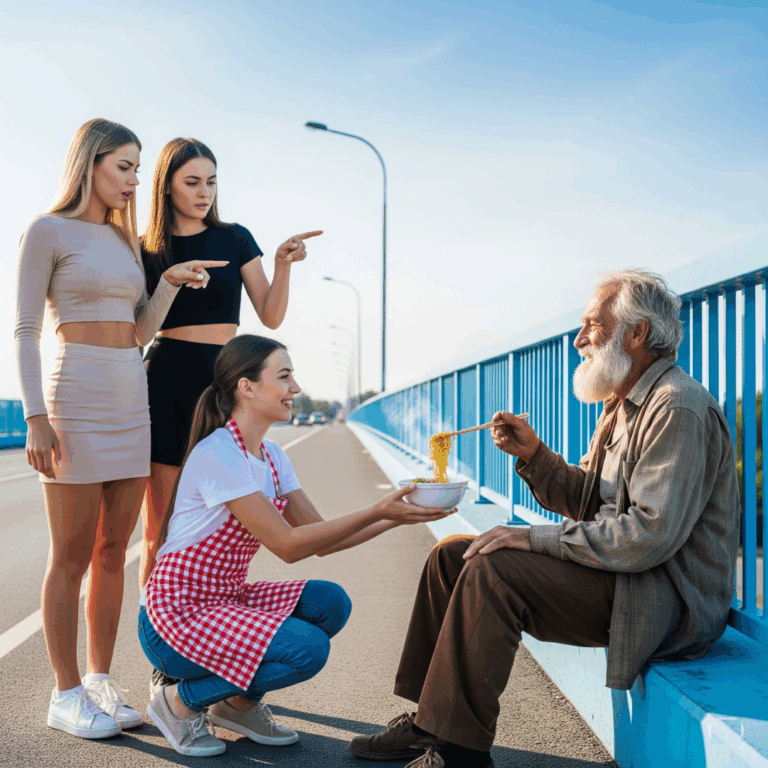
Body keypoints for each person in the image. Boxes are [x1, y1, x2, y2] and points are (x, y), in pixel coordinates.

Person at [349, 268, 740, 768]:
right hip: (627, 577)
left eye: (592, 325)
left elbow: (647, 536)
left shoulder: (677, 407)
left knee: (495, 567)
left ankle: (460, 751)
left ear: (637, 333)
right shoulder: (624, 403)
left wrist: (532, 538)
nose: (579, 340)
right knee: (453, 556)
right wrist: (535, 455)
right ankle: (431, 720)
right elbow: (592, 502)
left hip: (664, 600)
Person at [138, 334, 456, 757]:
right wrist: (378, 508)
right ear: (246, 387)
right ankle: (178, 702)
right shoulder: (220, 455)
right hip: (175, 621)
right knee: (306, 649)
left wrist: (395, 516)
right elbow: (288, 546)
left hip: (223, 601)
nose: (296, 389)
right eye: (284, 376)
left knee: (330, 602)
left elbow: (321, 538)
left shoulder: (271, 456)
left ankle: (236, 706)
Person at [14, 119, 229, 739]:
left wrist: (164, 283)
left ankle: (101, 677)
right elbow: (27, 330)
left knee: (115, 552)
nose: (137, 181)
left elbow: (138, 333)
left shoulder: (126, 241)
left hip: (130, 399)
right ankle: (65, 693)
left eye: (138, 169)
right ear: (90, 164)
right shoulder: (47, 230)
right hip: (73, 398)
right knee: (72, 556)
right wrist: (36, 417)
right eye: (125, 167)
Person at [138, 137, 320, 603]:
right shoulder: (147, 247)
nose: (205, 192)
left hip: (223, 380)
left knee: (224, 514)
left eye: (212, 182)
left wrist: (282, 265)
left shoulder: (235, 237)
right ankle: (159, 650)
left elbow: (271, 315)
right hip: (167, 377)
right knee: (162, 521)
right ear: (167, 187)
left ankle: (211, 615)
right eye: (192, 182)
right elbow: (139, 326)